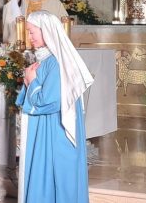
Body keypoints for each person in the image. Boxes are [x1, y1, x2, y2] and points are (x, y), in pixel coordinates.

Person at [16, 11, 94, 203]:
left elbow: (49, 102)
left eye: (32, 32)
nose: (29, 37)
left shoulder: (57, 62)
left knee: (53, 174)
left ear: (47, 31)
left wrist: (32, 81)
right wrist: (29, 81)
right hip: (45, 126)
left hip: (54, 129)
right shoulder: (45, 58)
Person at [2, 0, 68, 45]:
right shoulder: (21, 1)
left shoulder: (55, 3)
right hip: (23, 46)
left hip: (46, 47)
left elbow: (64, 25)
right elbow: (8, 17)